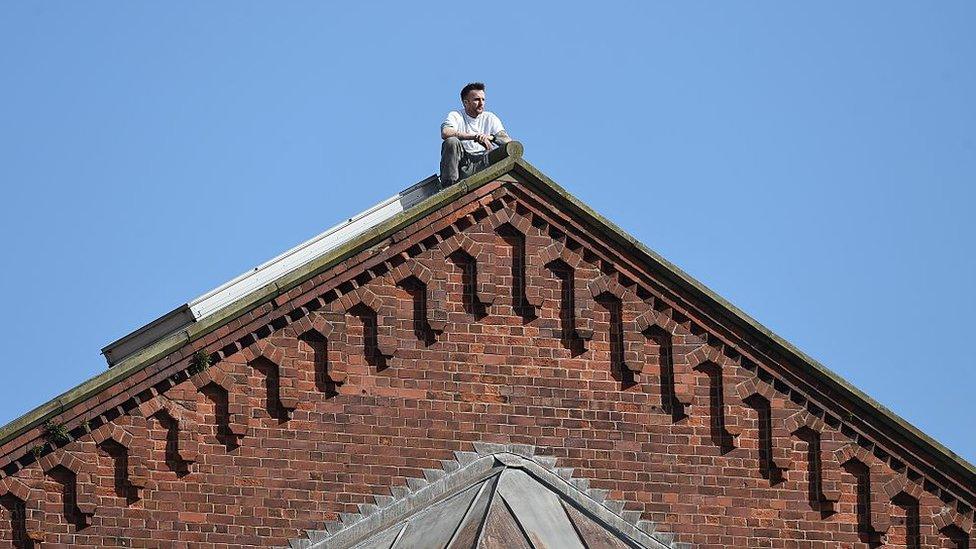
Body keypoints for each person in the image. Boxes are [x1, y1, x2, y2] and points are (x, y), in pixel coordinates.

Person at [439, 82, 512, 189]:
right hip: (463, 163)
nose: (481, 103)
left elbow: (508, 142)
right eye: (477, 100)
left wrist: (490, 138)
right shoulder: (456, 115)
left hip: (483, 161)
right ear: (465, 103)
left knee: (507, 150)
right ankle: (449, 188)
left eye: (483, 99)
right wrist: (474, 136)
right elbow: (446, 132)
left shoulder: (490, 118)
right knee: (451, 142)